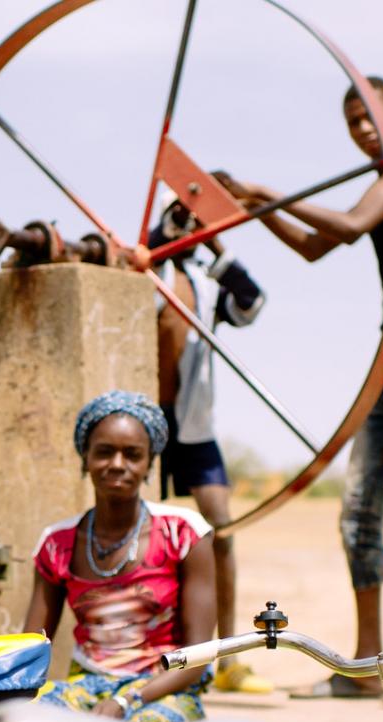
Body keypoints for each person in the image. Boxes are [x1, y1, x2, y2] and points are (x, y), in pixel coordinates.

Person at [223, 76, 383, 698]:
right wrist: (255, 209)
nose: (363, 128)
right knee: (359, 517)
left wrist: (265, 191)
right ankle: (366, 667)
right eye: (352, 120)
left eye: (371, 116)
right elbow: (314, 246)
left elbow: (354, 225)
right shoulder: (382, 184)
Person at [0, 390, 215, 722]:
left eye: (131, 455)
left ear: (149, 464)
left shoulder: (184, 533)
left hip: (165, 689)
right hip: (86, 684)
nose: (117, 464)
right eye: (103, 452)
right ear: (85, 458)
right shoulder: (58, 543)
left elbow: (201, 656)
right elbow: (30, 648)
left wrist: (129, 699)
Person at [146, 197, 273, 695]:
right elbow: (138, 258)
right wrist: (164, 232)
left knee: (222, 528)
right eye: (184, 217)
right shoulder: (144, 270)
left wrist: (216, 246)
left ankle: (227, 658)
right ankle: (150, 652)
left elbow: (252, 303)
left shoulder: (203, 280)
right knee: (144, 537)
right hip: (146, 422)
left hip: (194, 421)